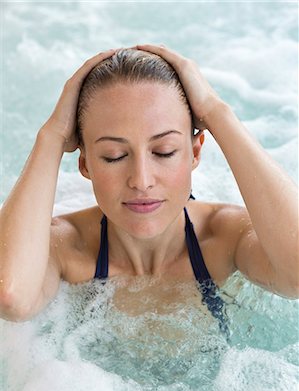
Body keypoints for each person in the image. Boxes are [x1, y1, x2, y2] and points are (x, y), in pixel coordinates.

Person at [0, 44, 298, 324]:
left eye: (164, 151)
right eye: (114, 156)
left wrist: (215, 112)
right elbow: (11, 297)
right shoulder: (67, 247)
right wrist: (51, 136)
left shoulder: (224, 238)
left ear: (195, 152)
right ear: (85, 164)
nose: (141, 181)